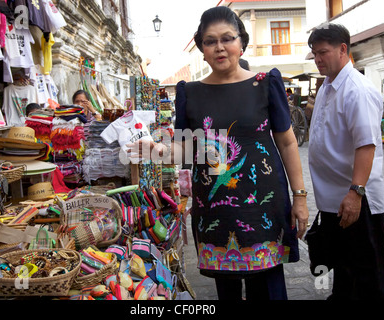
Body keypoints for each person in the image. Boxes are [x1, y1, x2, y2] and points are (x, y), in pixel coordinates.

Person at [127, 6, 309, 300]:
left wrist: (300, 197)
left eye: (228, 38)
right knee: (226, 290)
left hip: (263, 205)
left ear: (241, 42)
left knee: (268, 288)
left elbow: (287, 143)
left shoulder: (264, 84)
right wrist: (157, 149)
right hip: (215, 207)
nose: (220, 47)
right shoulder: (191, 92)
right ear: (201, 48)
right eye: (211, 41)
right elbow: (187, 149)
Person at [307, 23, 384, 300]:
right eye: (314, 53)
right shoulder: (328, 86)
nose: (318, 59)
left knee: (366, 271)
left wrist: (356, 193)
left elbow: (366, 145)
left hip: (355, 200)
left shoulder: (357, 90)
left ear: (343, 49)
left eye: (323, 52)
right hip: (332, 200)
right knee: (344, 267)